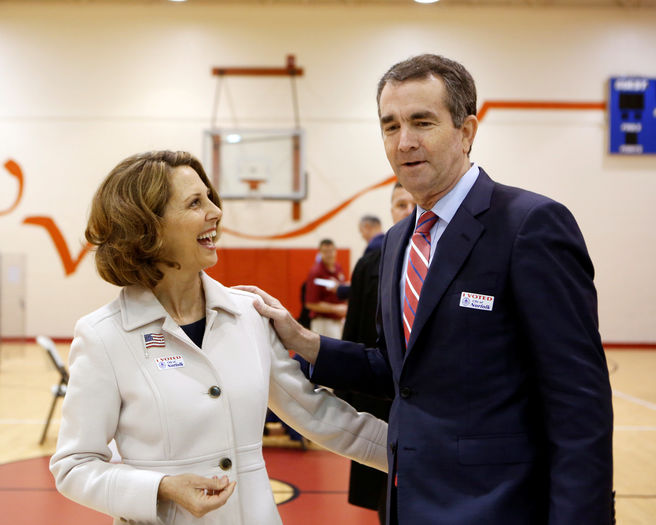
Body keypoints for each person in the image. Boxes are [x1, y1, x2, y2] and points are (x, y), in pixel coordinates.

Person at [237, 54, 614, 525]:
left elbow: (579, 402)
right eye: (390, 126)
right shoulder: (396, 243)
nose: (404, 142)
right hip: (409, 501)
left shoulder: (529, 226)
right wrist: (305, 340)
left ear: (467, 131)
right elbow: (402, 372)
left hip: (502, 507)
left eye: (422, 122)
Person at [49, 150, 388, 525]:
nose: (216, 211)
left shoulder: (249, 314)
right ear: (148, 227)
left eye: (210, 197)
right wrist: (160, 487)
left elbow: (316, 414)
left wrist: (414, 455)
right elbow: (74, 466)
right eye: (195, 202)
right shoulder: (102, 336)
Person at [337, 183, 415, 524]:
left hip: (431, 401)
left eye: (413, 202)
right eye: (400, 204)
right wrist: (345, 394)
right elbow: (353, 329)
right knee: (384, 489)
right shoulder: (371, 262)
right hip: (379, 394)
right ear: (391, 210)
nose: (408, 210)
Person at [304, 239, 347, 338]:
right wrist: (335, 309)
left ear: (336, 251)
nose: (329, 254)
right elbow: (310, 303)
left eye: (331, 251)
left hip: (338, 320)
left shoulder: (338, 268)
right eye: (325, 252)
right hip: (323, 322)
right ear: (320, 253)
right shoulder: (316, 272)